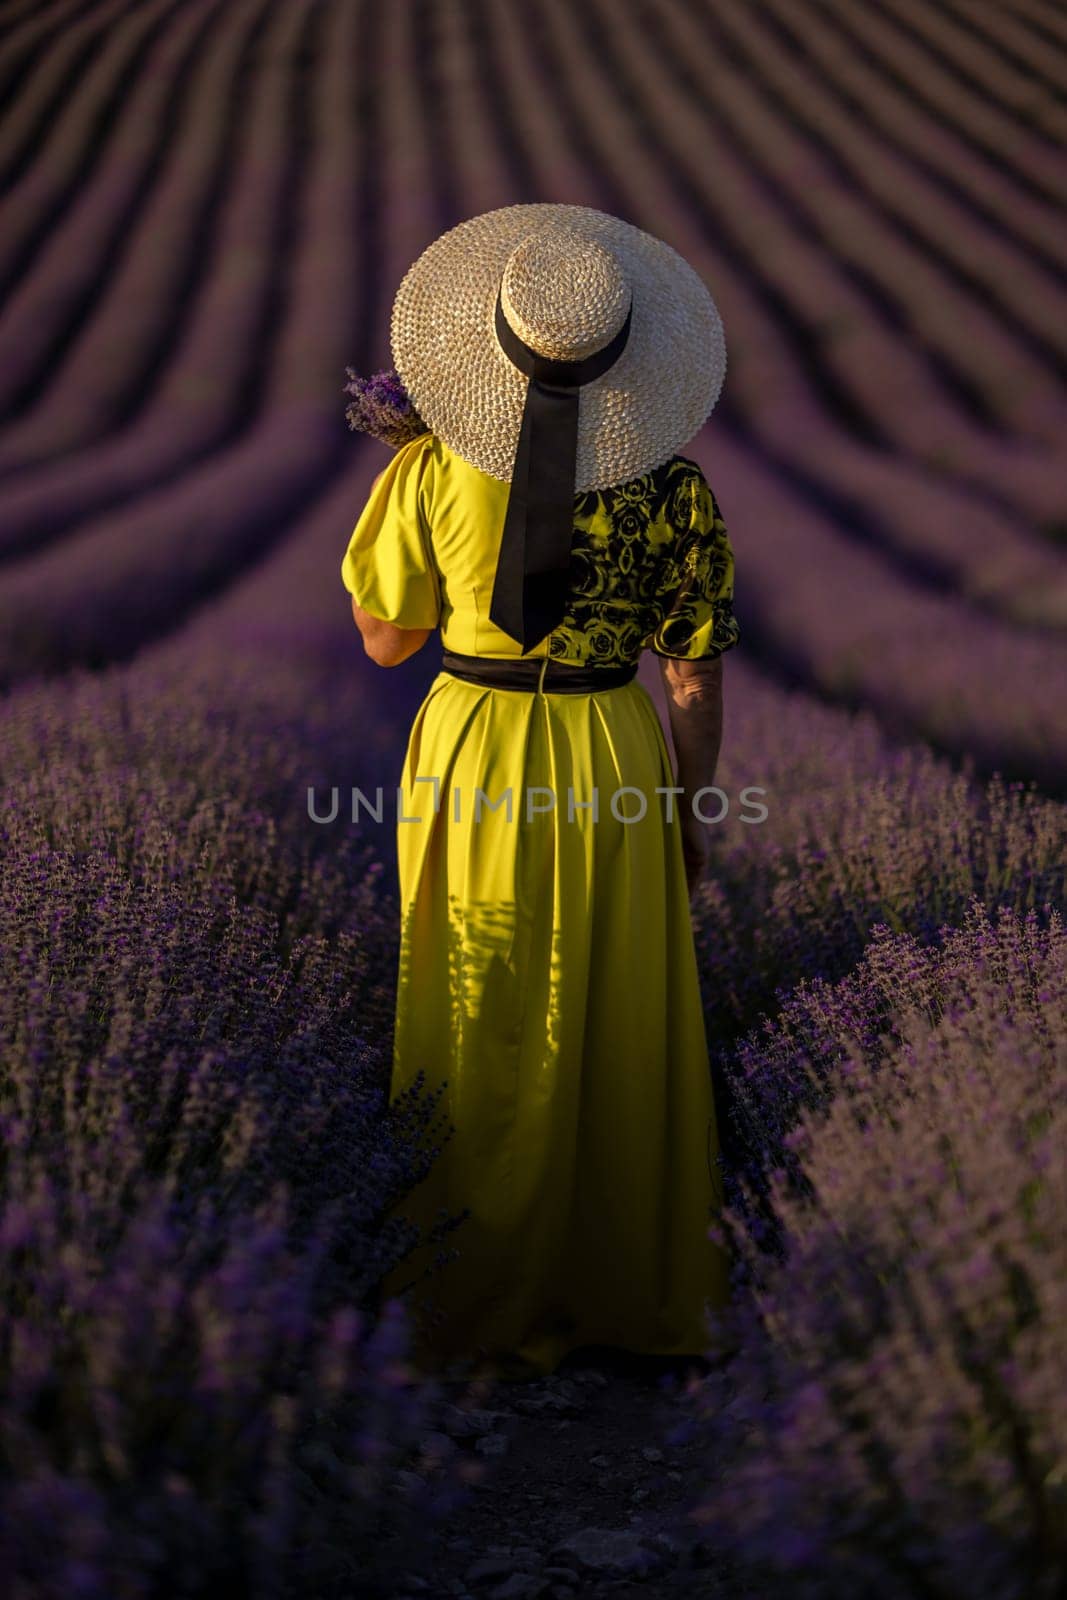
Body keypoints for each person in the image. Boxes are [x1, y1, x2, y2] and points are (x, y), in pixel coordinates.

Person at [341, 204, 739, 1383]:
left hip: (476, 746)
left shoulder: (427, 466)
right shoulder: (670, 483)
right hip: (610, 745)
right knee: (617, 1010)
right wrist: (687, 810)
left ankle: (467, 1303)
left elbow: (383, 642)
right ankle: (623, 1295)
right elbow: (695, 672)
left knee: (477, 1001)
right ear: (626, 353)